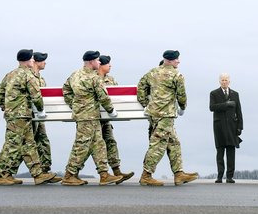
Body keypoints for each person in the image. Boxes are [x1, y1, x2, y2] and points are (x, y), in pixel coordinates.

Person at [0, 49, 56, 185]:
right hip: (22, 115)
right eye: (32, 59)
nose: (33, 61)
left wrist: (5, 106)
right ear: (28, 60)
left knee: (28, 144)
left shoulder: (10, 74)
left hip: (14, 114)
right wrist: (41, 110)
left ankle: (37, 175)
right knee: (12, 145)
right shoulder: (28, 75)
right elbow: (36, 95)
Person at [60, 51, 123, 186]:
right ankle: (69, 175)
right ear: (91, 62)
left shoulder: (75, 75)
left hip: (85, 115)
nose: (99, 63)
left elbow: (65, 90)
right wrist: (111, 111)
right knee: (81, 145)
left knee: (98, 144)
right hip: (89, 116)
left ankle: (104, 174)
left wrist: (75, 104)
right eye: (97, 61)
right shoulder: (94, 77)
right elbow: (103, 96)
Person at [138, 50, 198, 186]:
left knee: (174, 143)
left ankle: (179, 174)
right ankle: (146, 175)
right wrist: (182, 107)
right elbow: (181, 95)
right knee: (158, 145)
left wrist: (145, 104)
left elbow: (141, 86)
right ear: (170, 61)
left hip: (153, 114)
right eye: (177, 59)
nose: (179, 61)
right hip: (166, 115)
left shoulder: (152, 72)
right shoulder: (177, 75)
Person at [97, 55, 134, 183]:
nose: (110, 66)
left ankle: (116, 171)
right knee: (92, 146)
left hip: (106, 118)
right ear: (101, 65)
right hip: (93, 118)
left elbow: (117, 96)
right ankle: (72, 172)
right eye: (108, 64)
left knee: (111, 142)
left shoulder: (111, 80)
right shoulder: (92, 78)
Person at [209, 73, 243, 184]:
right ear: (219, 81)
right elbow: (212, 107)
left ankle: (229, 176)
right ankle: (219, 176)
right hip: (219, 127)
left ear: (229, 81)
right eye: (222, 80)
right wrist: (226, 104)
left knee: (231, 152)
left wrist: (240, 127)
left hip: (232, 127)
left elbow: (239, 112)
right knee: (220, 152)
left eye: (226, 80)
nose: (224, 82)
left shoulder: (235, 94)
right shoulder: (214, 93)